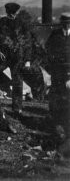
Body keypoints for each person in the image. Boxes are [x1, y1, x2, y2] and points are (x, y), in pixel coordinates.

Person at [0, 2, 33, 115]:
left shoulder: (22, 24)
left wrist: (27, 59)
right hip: (2, 57)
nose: (11, 14)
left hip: (17, 57)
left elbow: (28, 42)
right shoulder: (1, 23)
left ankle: (17, 108)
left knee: (17, 82)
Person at [44, 12, 70, 155]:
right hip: (57, 73)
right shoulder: (55, 35)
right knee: (56, 98)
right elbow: (48, 50)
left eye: (69, 23)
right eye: (65, 22)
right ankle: (55, 123)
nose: (67, 25)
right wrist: (52, 67)